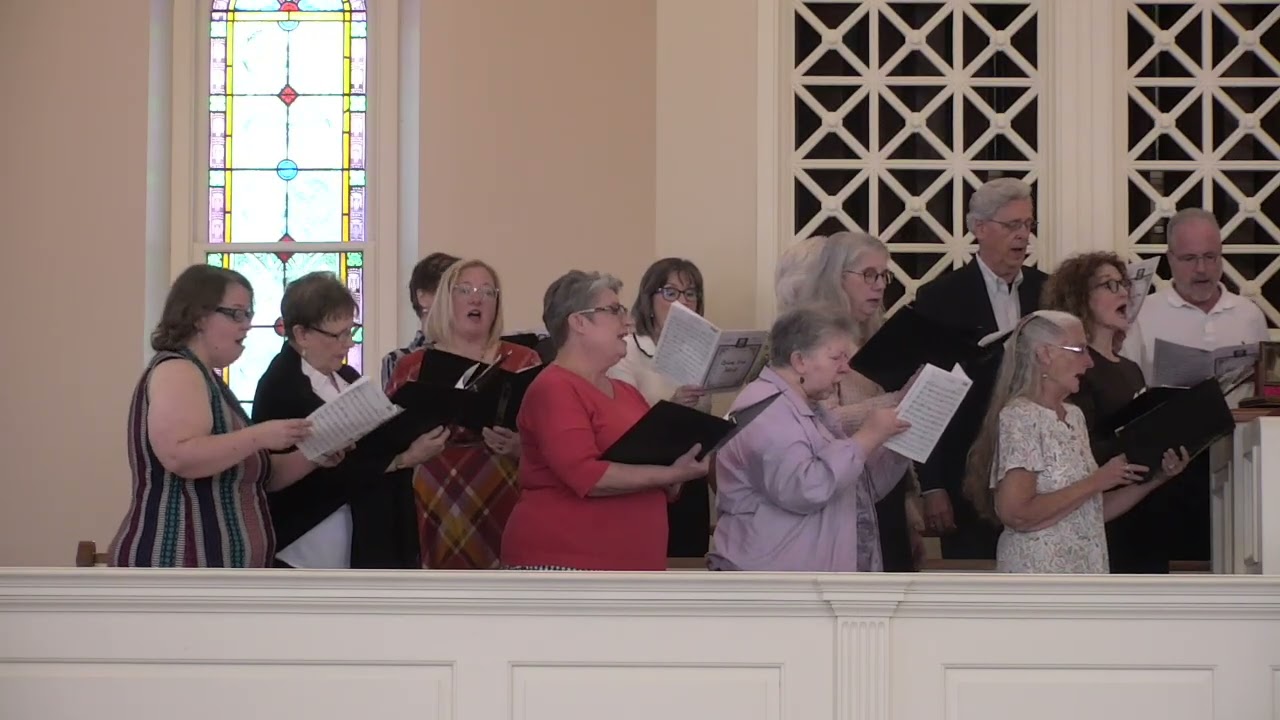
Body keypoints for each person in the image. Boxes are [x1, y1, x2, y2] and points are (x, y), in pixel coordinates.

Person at [109, 265, 339, 568]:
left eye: (249, 314)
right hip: (177, 565)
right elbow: (181, 456)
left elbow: (259, 475)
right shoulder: (178, 369)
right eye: (236, 313)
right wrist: (259, 435)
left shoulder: (210, 380)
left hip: (218, 576)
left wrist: (315, 454)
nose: (247, 325)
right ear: (198, 316)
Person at [501, 270, 708, 570]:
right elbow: (588, 476)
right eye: (614, 311)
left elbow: (652, 463)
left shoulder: (626, 391)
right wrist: (672, 475)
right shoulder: (554, 387)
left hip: (631, 567)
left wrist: (680, 465)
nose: (629, 322)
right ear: (579, 322)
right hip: (567, 565)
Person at [964, 311, 1189, 573]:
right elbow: (1016, 514)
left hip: (1085, 569)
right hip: (1040, 572)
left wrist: (1157, 479)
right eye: (1079, 350)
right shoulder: (1021, 416)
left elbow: (1089, 513)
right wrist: (1098, 480)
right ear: (1045, 354)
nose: (1089, 362)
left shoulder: (1074, 416)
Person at [252, 272, 447, 569]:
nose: (348, 343)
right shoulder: (281, 386)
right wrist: (403, 459)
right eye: (338, 334)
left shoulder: (347, 377)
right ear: (302, 334)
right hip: (311, 539)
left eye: (350, 330)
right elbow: (305, 474)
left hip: (364, 525)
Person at [709, 305, 912, 571]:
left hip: (808, 581)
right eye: (836, 358)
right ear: (799, 361)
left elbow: (855, 488)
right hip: (773, 587)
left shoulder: (807, 408)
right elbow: (805, 488)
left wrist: (898, 443)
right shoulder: (764, 410)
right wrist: (865, 437)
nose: (845, 369)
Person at [1122, 208, 1269, 563]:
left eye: (1210, 257)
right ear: (1170, 259)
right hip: (1169, 464)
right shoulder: (1144, 313)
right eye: (1189, 259)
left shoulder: (1248, 314)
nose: (1201, 269)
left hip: (1237, 461)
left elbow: (1263, 392)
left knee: (1235, 555)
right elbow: (1128, 391)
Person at [913, 177, 1049, 560]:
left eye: (1028, 225)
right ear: (979, 229)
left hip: (1039, 474)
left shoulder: (1047, 291)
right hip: (965, 472)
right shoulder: (940, 298)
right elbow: (929, 396)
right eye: (1012, 226)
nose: (1023, 235)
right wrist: (931, 485)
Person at [774, 232, 926, 570]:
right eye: (868, 274)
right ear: (835, 277)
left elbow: (892, 431)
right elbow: (818, 421)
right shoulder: (812, 339)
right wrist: (896, 402)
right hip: (838, 495)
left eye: (883, 275)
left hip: (885, 490)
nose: (879, 285)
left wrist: (908, 503)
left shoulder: (878, 335)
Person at [1042, 252, 1193, 573]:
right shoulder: (1076, 369)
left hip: (1145, 510)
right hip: (1101, 516)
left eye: (1123, 284)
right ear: (1080, 298)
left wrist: (1164, 460)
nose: (1124, 292)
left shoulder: (1131, 368)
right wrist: (1132, 445)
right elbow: (1075, 452)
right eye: (1108, 286)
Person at [385, 259, 540, 569]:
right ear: (446, 300)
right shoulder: (412, 365)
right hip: (433, 498)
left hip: (504, 490)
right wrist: (412, 451)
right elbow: (385, 443)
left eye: (487, 291)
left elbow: (551, 441)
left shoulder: (523, 360)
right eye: (465, 290)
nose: (476, 298)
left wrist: (519, 447)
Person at [608, 257, 713, 559]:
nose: (682, 303)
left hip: (691, 476)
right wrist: (672, 406)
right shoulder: (627, 349)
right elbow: (620, 422)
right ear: (648, 299)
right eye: (670, 293)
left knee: (688, 567)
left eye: (690, 294)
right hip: (643, 479)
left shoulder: (699, 351)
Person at [380, 252, 459, 391]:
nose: (459, 300)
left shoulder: (474, 350)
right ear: (422, 297)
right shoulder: (397, 359)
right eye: (449, 292)